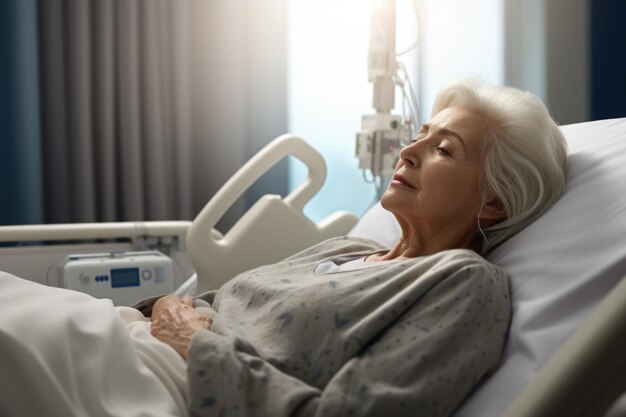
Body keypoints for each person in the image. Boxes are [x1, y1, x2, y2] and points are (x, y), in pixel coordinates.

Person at [148, 79, 568, 417]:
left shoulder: (462, 284)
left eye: (443, 149)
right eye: (419, 136)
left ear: (494, 201)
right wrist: (164, 305)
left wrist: (194, 344)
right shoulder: (345, 248)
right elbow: (205, 306)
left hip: (168, 388)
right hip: (136, 341)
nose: (406, 152)